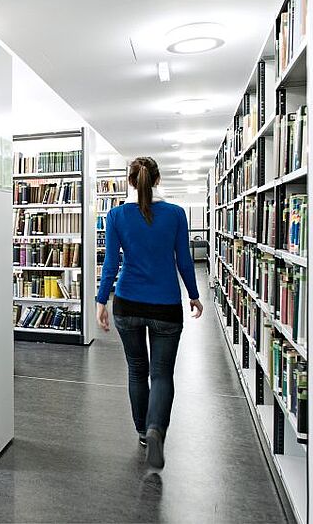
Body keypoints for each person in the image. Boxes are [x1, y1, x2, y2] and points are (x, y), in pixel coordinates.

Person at [95, 156, 203, 469]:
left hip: (127, 303)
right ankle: (157, 428)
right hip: (166, 305)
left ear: (129, 182)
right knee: (161, 373)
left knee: (136, 370)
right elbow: (184, 260)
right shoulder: (176, 214)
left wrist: (102, 301)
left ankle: (143, 432)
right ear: (157, 180)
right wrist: (194, 296)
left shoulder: (115, 215)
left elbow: (111, 265)